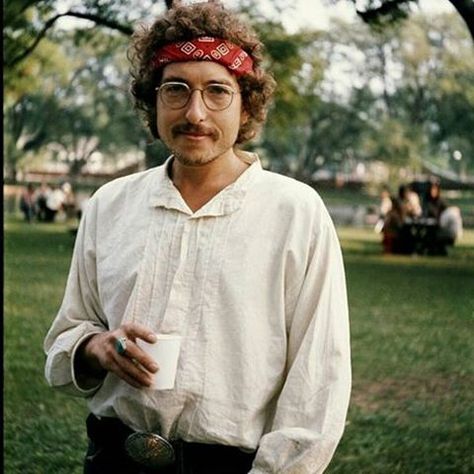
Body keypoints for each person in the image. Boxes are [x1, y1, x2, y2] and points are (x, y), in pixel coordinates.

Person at [43, 3, 351, 473]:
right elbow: (69, 332)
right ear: (153, 100)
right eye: (176, 89)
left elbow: (319, 380)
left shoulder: (296, 212)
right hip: (112, 458)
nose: (195, 112)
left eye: (217, 92)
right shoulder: (110, 204)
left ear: (246, 103)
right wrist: (95, 348)